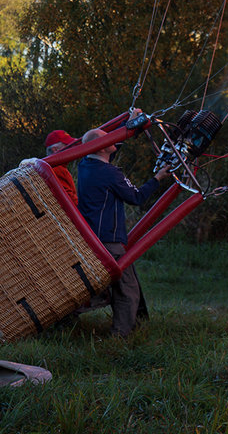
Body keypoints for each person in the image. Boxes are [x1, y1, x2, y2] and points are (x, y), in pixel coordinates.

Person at [76, 125, 170, 337]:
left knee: (123, 282)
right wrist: (158, 178)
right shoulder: (110, 173)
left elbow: (111, 143)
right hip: (109, 241)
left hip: (92, 237)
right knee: (126, 289)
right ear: (101, 149)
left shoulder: (85, 165)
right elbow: (136, 197)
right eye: (107, 140)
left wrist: (133, 124)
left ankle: (135, 324)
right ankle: (121, 335)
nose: (114, 141)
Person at [43, 130, 80, 206]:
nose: (72, 149)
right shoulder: (56, 169)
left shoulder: (57, 167)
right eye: (67, 145)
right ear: (55, 149)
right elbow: (71, 202)